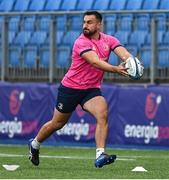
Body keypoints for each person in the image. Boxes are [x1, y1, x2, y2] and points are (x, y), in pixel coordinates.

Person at [28, 11, 133, 168]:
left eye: (90, 22)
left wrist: (131, 61)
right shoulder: (80, 42)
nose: (85, 25)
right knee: (57, 123)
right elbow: (96, 62)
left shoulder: (109, 40)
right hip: (70, 88)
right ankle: (35, 144)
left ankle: (100, 154)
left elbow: (123, 53)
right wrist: (116, 69)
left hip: (90, 89)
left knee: (102, 113)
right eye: (84, 22)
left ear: (99, 25)